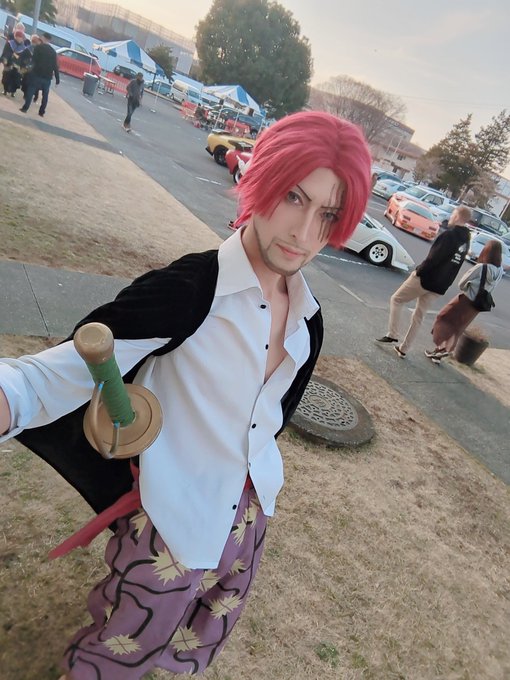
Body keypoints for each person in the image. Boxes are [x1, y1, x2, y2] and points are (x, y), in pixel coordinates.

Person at [0, 110, 371, 680]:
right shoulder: (192, 289)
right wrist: (9, 396)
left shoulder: (308, 318)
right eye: (294, 197)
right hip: (170, 519)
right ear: (261, 180)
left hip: (249, 509)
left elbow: (270, 417)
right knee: (123, 645)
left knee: (206, 628)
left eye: (328, 214)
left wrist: (257, 495)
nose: (304, 233)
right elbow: (65, 369)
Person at [376, 205, 472, 358]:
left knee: (397, 299)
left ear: (458, 216)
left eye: (453, 214)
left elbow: (433, 258)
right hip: (440, 286)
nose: (451, 217)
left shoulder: (449, 235)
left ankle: (393, 333)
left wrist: (418, 271)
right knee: (419, 316)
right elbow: (456, 265)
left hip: (425, 279)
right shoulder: (466, 240)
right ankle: (404, 348)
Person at [425, 239, 504, 364]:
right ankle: (439, 353)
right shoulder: (499, 271)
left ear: (486, 251)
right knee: (458, 328)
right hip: (477, 305)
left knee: (443, 318)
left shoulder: (481, 267)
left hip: (465, 300)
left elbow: (462, 283)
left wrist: (469, 287)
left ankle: (442, 348)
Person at [19, 32, 59, 117]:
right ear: (49, 40)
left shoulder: (38, 48)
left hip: (36, 74)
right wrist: (57, 79)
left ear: (43, 38)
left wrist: (26, 69)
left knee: (31, 90)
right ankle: (41, 112)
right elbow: (55, 66)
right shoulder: (53, 52)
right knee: (45, 95)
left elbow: (33, 61)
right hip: (47, 77)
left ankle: (25, 108)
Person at [1, 28, 30, 96]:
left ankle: (13, 92)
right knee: (6, 78)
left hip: (18, 66)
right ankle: (5, 90)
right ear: (15, 36)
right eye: (18, 37)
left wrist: (24, 66)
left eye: (20, 37)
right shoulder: (10, 44)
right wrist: (5, 59)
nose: (19, 38)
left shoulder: (24, 48)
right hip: (9, 64)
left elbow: (25, 58)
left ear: (22, 38)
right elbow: (5, 52)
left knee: (16, 80)